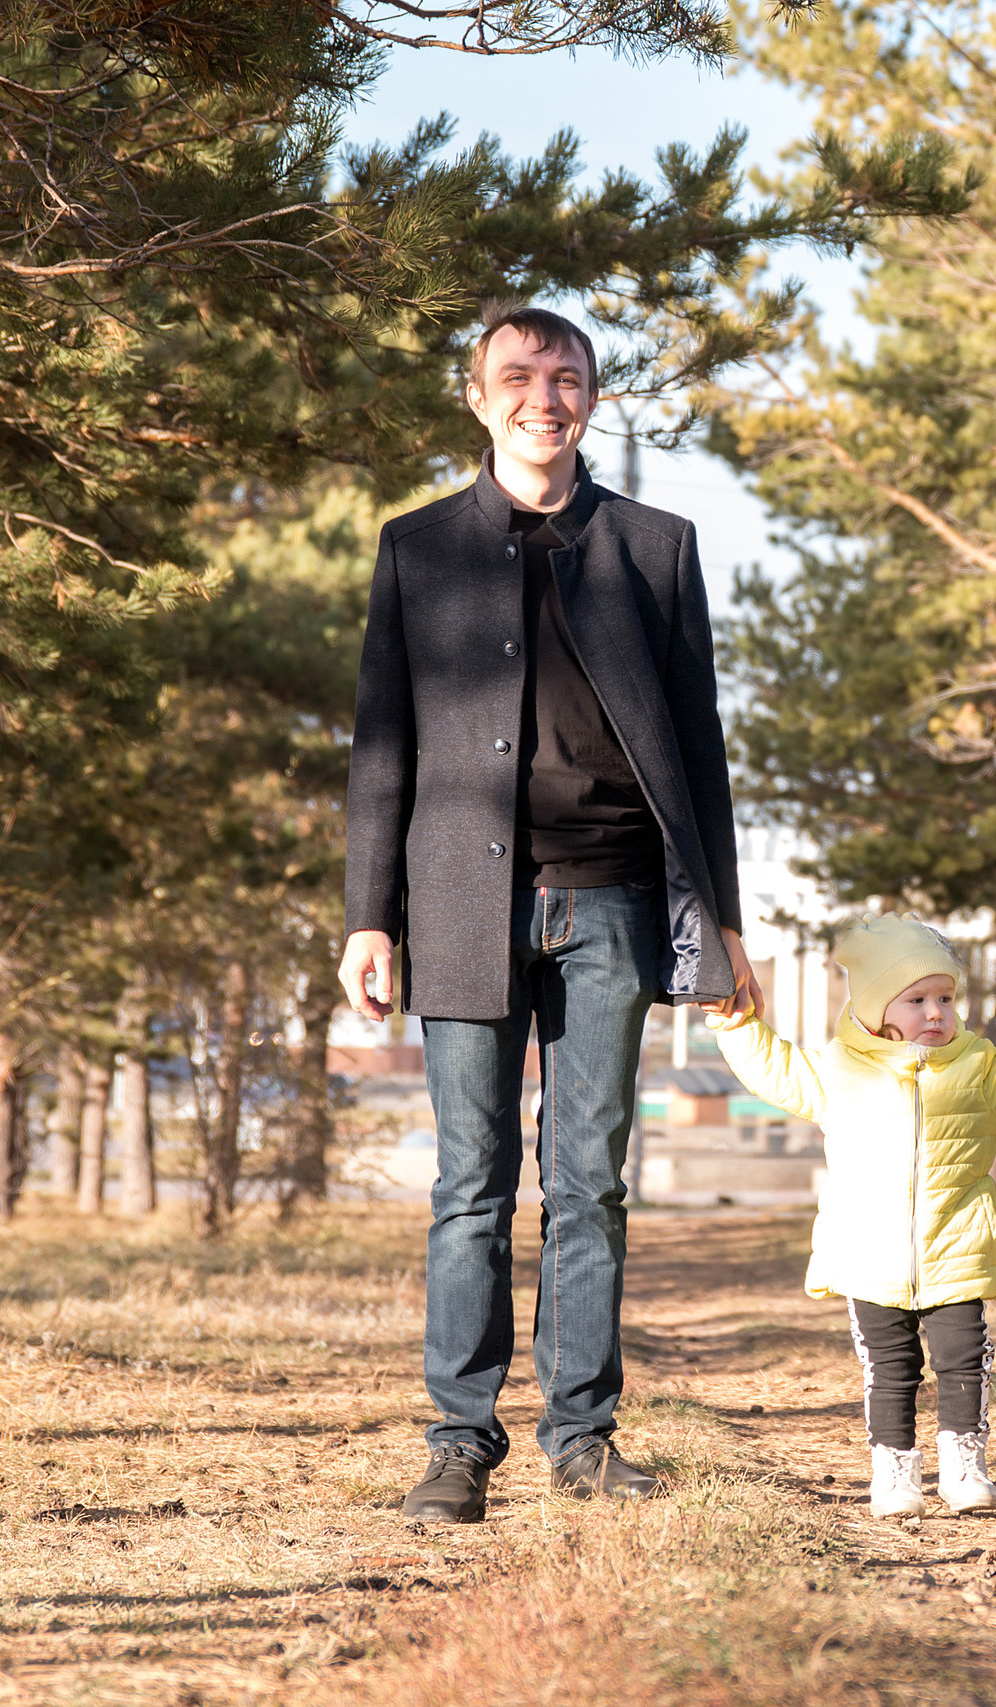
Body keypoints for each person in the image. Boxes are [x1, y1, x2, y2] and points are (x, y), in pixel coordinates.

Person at [340, 302, 763, 1522]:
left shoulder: (657, 545)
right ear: (477, 399)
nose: (544, 395)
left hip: (617, 901)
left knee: (591, 1182)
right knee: (469, 1184)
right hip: (463, 903)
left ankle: (584, 1438)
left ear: (592, 397)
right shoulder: (416, 548)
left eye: (566, 376)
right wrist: (370, 916)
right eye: (518, 376)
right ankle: (457, 1442)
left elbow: (701, 747)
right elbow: (382, 748)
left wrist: (719, 916)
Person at [706, 915, 996, 1517]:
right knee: (891, 1369)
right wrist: (735, 1023)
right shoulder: (839, 1074)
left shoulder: (979, 1071)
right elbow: (774, 1069)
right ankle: (895, 1471)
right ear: (874, 1010)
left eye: (946, 998)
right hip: (869, 1258)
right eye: (916, 1000)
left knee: (964, 1359)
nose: (935, 1012)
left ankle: (964, 1463)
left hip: (957, 1249)